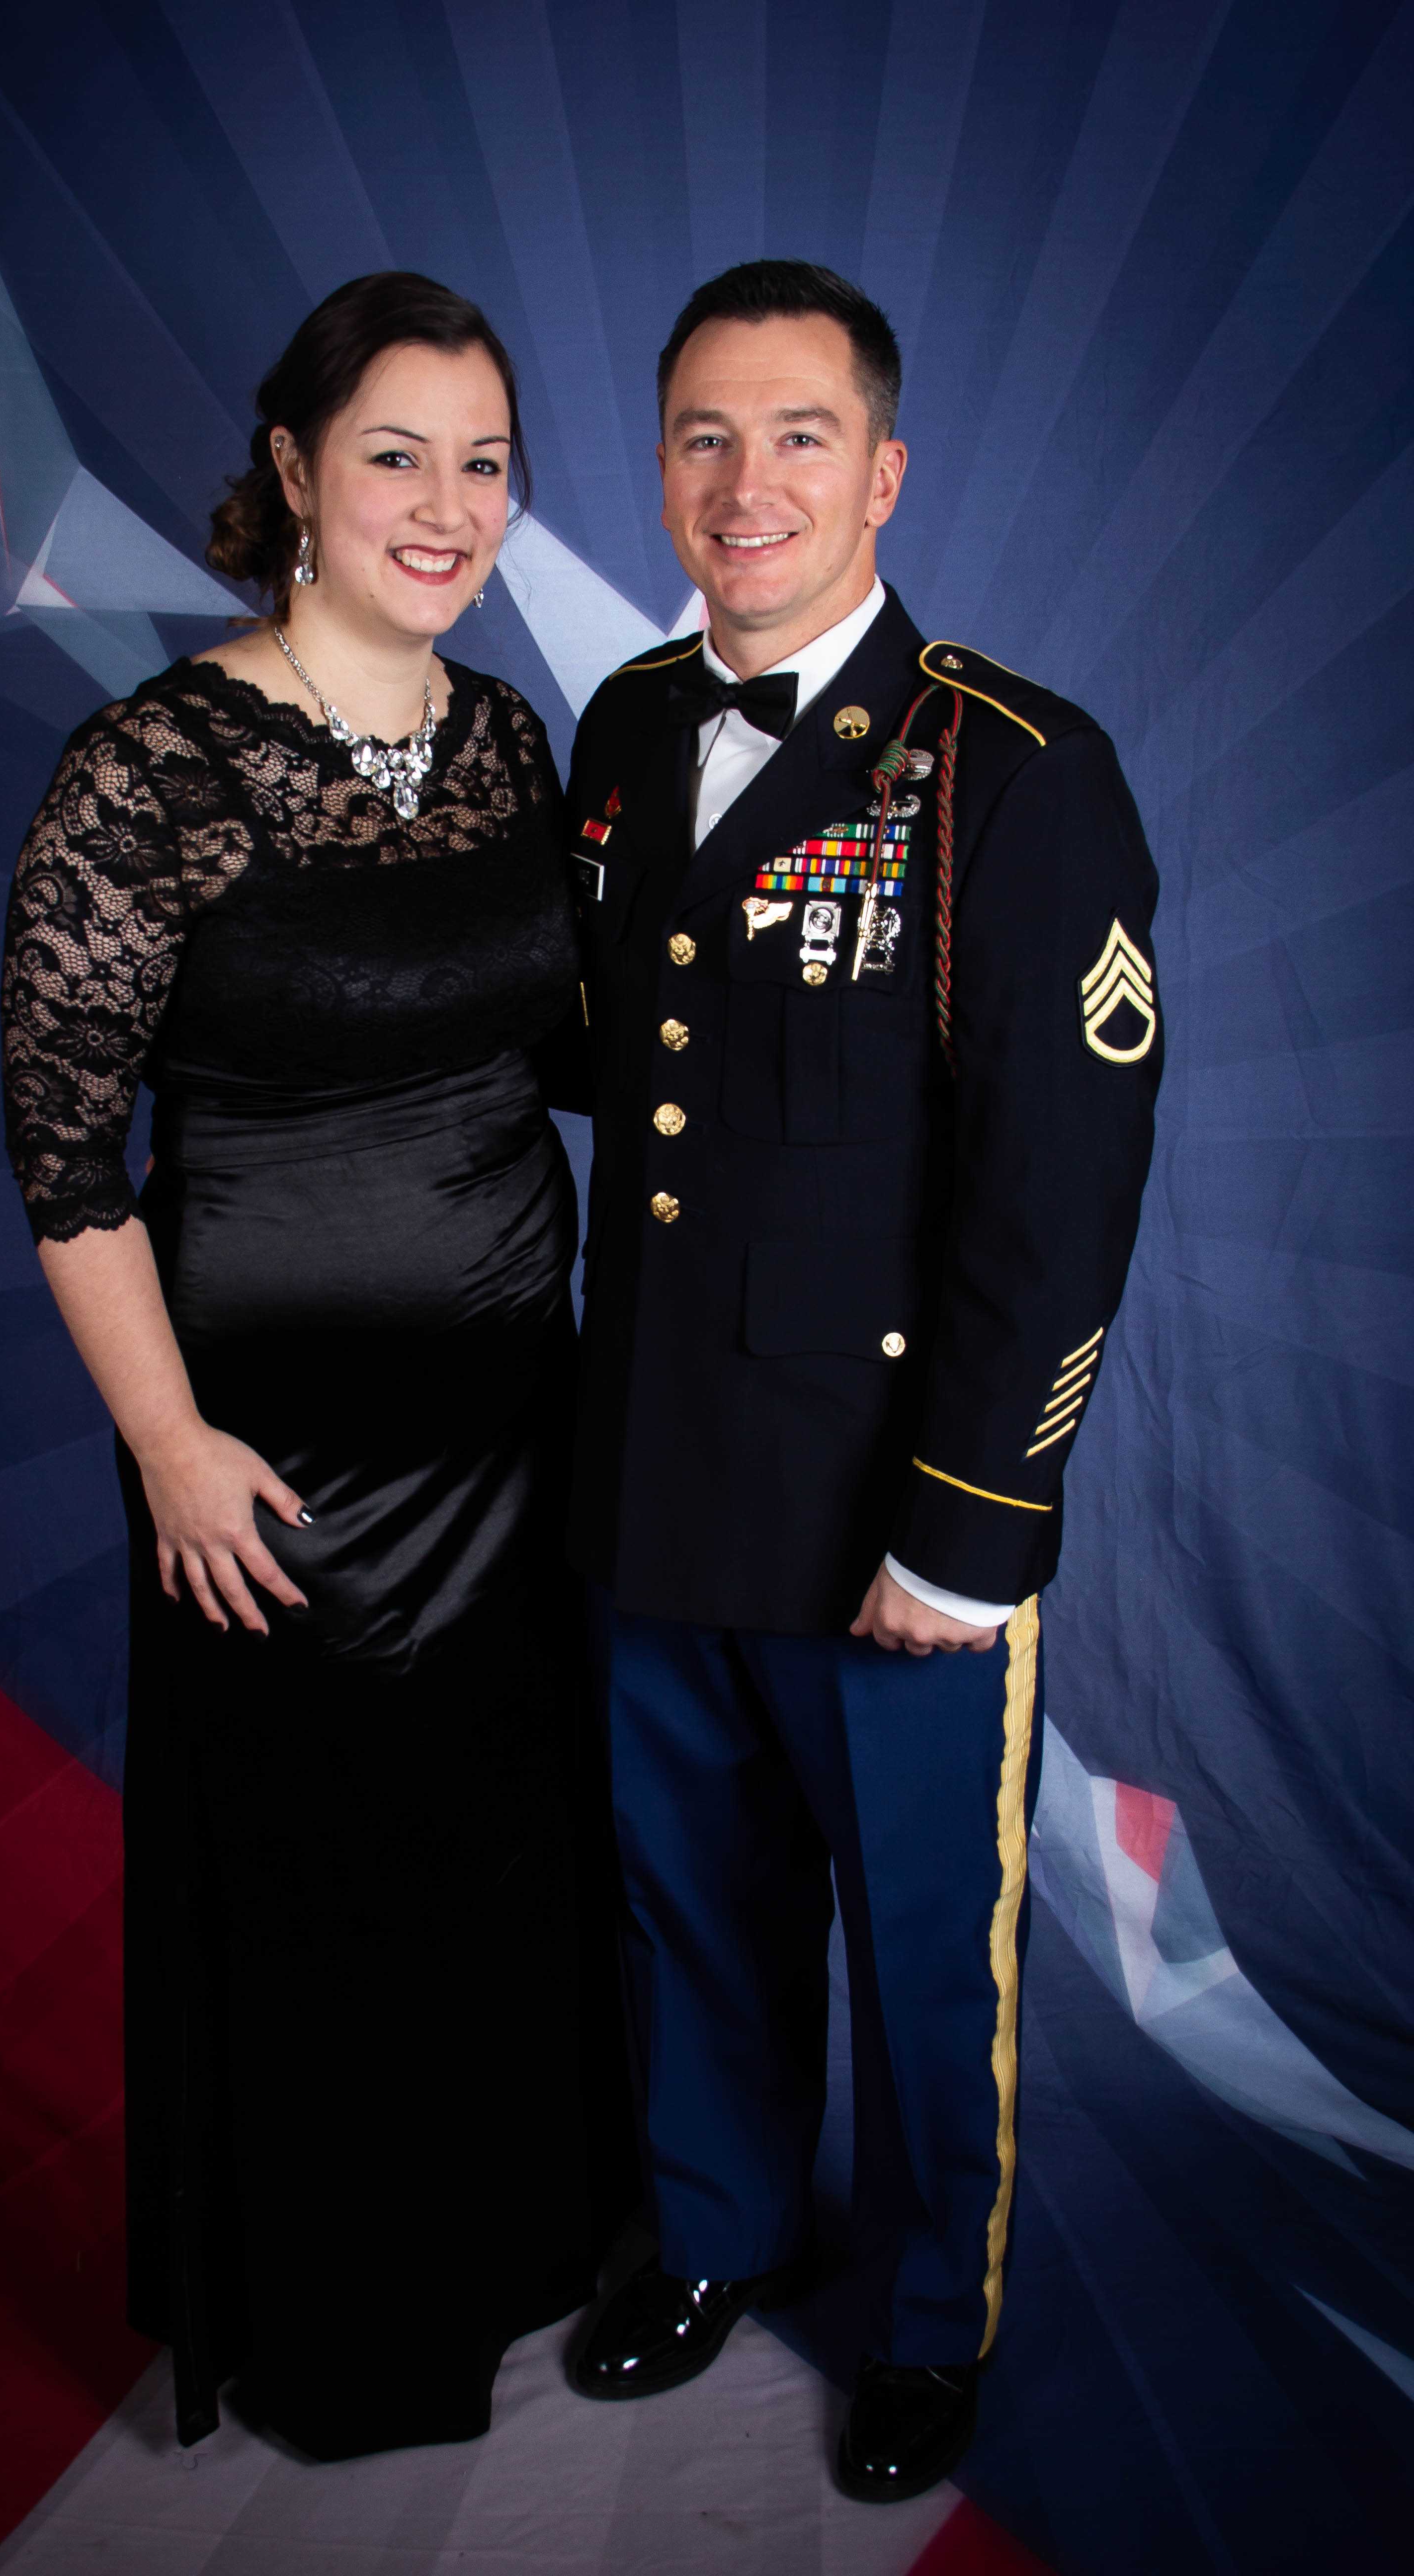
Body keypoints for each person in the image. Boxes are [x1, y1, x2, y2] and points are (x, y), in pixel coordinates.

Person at [0, 271, 630, 2463]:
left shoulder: (511, 742)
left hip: (517, 1430)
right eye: (396, 456)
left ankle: (519, 2249)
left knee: (505, 1857)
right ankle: (348, 2331)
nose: (447, 507)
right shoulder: (148, 772)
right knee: (319, 1881)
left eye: (486, 464)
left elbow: (570, 1053)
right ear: (292, 470)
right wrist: (167, 1442)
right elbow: (64, 1153)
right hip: (267, 1468)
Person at [564, 261, 1162, 2499]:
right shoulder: (627, 728)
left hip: (884, 1514)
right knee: (691, 1912)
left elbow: (1058, 1194)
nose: (750, 483)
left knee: (924, 1959)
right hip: (658, 1476)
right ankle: (716, 2231)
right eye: (706, 436)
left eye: (800, 435)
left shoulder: (1015, 771)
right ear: (662, 467)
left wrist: (972, 1530)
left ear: (885, 471)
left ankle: (927, 2321)